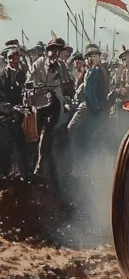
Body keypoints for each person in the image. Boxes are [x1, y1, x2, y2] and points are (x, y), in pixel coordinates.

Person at [30, 36, 74, 184]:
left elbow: (68, 85)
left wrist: (68, 96)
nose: (55, 54)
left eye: (58, 51)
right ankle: (39, 169)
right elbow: (28, 81)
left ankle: (41, 167)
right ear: (47, 51)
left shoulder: (61, 66)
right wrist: (31, 90)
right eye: (53, 51)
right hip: (39, 102)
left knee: (47, 132)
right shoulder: (39, 64)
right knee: (37, 134)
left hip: (55, 103)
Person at [67, 44, 108, 151]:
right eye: (90, 56)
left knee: (71, 128)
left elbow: (89, 92)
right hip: (94, 106)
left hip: (89, 106)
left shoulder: (96, 71)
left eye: (94, 55)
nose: (92, 58)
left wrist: (95, 107)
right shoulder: (91, 71)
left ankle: (74, 155)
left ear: (98, 57)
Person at [0, 44, 31, 180]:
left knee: (22, 146)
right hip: (4, 117)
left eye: (16, 58)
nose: (14, 61)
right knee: (5, 148)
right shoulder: (1, 76)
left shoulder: (23, 75)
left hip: (19, 116)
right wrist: (11, 108)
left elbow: (26, 94)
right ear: (7, 59)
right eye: (11, 58)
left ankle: (24, 175)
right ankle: (5, 176)